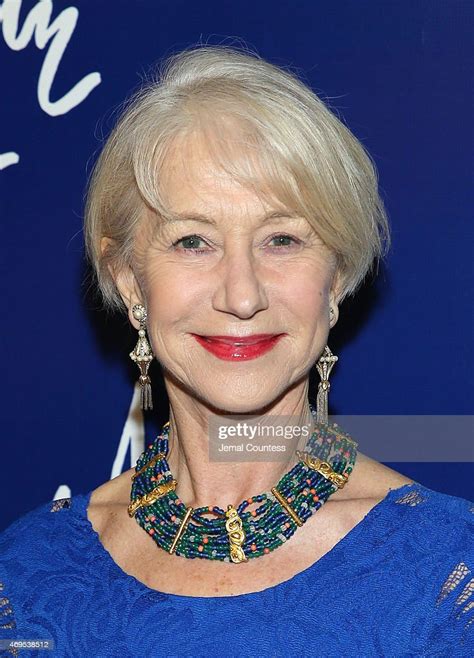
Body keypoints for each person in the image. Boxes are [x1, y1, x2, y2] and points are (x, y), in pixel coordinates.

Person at [0, 45, 472, 658]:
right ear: (128, 280)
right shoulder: (28, 578)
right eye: (193, 241)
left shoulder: (449, 576)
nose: (242, 295)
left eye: (282, 239)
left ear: (336, 281)